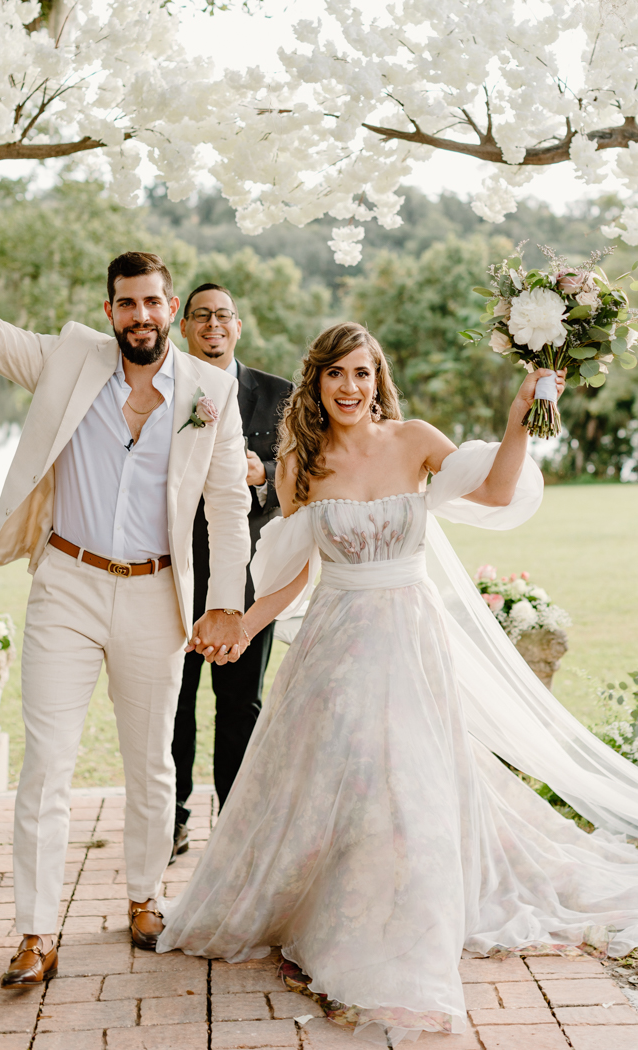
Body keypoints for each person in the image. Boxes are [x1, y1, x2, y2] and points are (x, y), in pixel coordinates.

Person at [158, 322, 638, 1046]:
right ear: (316, 382)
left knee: (409, 784)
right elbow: (292, 572)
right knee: (348, 783)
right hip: (336, 644)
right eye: (335, 375)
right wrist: (246, 626)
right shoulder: (302, 464)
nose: (350, 388)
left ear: (378, 379)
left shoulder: (414, 439)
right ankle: (339, 908)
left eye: (362, 373)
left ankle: (408, 923)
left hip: (410, 641)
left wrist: (517, 421)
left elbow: (500, 489)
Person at [0, 163, 251, 986]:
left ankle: (146, 896)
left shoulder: (211, 391)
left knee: (152, 761)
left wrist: (223, 605)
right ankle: (37, 931)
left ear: (171, 309)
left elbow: (227, 509)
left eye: (154, 301)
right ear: (109, 310)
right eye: (126, 302)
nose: (140, 315)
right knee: (48, 762)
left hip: (158, 593)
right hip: (68, 586)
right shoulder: (71, 358)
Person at [171, 283, 293, 854]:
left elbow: (306, 473)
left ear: (238, 326)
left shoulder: (280, 395)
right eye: (201, 316)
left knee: (240, 703)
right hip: (169, 571)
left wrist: (261, 475)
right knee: (173, 698)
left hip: (248, 576)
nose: (213, 324)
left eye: (223, 316)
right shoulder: (164, 389)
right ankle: (170, 821)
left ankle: (236, 828)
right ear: (185, 327)